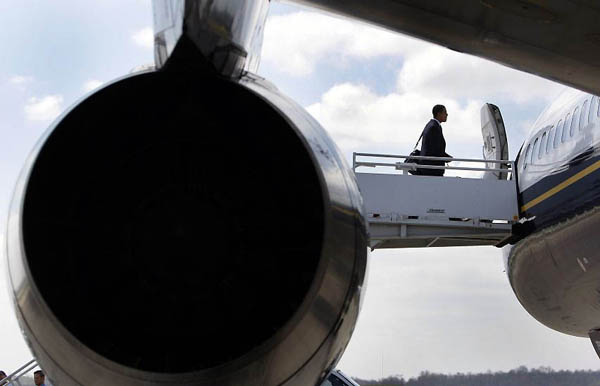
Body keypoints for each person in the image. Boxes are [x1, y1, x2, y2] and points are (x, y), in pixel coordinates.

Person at [420, 104, 452, 176]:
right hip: (432, 168)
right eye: (445, 112)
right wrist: (447, 158)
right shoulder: (434, 127)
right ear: (439, 114)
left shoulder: (432, 125)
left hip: (430, 167)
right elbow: (435, 149)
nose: (447, 114)